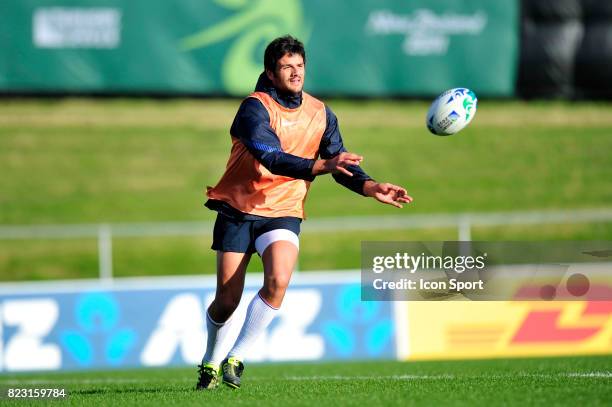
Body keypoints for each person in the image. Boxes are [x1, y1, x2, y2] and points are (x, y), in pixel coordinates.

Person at [196, 35, 412, 390]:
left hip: (283, 210)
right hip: (238, 208)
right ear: (270, 72)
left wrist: (372, 186)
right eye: (286, 67)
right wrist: (323, 164)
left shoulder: (320, 113)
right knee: (226, 301)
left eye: (300, 66)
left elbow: (338, 162)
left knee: (278, 280)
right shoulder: (255, 108)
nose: (295, 73)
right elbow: (273, 158)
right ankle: (210, 361)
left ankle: (236, 358)